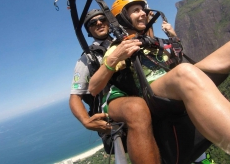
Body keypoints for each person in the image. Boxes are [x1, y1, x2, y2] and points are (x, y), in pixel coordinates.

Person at [88, 0, 230, 164]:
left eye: (143, 9)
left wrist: (173, 37)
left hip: (174, 81)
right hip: (152, 93)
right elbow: (93, 88)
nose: (143, 13)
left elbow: (176, 56)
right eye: (135, 10)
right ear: (122, 17)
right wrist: (114, 58)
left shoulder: (152, 40)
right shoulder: (118, 47)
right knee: (184, 72)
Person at [69, 9, 161, 163]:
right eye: (92, 22)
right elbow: (75, 96)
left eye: (102, 19)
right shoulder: (88, 58)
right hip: (115, 101)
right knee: (135, 108)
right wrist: (86, 121)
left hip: (140, 89)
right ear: (89, 31)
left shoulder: (125, 40)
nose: (99, 23)